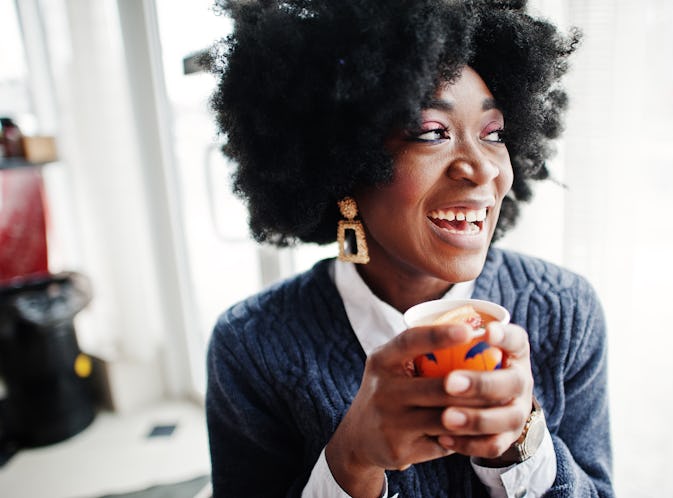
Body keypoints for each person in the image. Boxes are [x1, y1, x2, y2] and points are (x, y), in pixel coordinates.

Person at [204, 1, 613, 497]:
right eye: (430, 133)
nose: (483, 169)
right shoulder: (252, 346)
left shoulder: (564, 309)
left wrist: (521, 446)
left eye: (495, 134)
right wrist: (351, 461)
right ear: (343, 164)